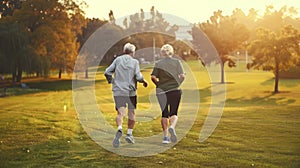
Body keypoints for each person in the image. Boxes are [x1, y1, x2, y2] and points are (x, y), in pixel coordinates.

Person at [104, 42, 148, 148]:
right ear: (133, 52)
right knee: (131, 112)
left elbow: (107, 72)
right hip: (131, 92)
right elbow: (138, 76)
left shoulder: (117, 60)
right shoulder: (135, 62)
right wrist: (143, 81)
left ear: (124, 51)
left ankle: (119, 128)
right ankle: (129, 134)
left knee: (120, 112)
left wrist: (112, 81)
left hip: (118, 91)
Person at [151, 44, 185, 144]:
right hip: (175, 90)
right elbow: (182, 76)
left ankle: (166, 137)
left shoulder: (158, 63)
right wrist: (177, 83)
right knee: (174, 112)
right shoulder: (177, 62)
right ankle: (172, 127)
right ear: (171, 52)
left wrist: (158, 84)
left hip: (162, 91)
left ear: (162, 53)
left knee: (164, 113)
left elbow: (153, 77)